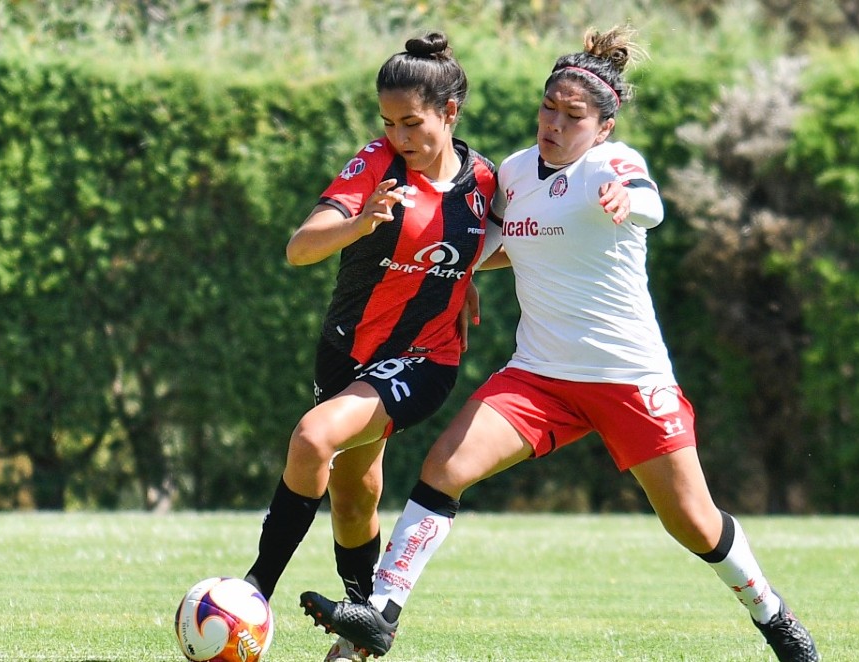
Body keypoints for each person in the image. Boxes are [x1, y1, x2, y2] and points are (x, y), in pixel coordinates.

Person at [300, 25, 820, 662]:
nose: (554, 123)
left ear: (601, 127)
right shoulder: (515, 172)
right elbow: (479, 246)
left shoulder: (614, 163)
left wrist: (625, 202)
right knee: (443, 469)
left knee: (694, 523)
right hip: (539, 376)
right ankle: (378, 617)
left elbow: (649, 202)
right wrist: (457, 285)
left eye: (573, 116)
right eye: (548, 108)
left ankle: (774, 617)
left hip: (626, 377)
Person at [238, 32, 501, 662]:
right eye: (388, 122)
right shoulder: (376, 163)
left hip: (423, 359)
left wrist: (462, 282)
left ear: (450, 113)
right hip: (344, 352)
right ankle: (362, 631)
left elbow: (512, 243)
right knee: (355, 494)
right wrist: (361, 223)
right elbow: (300, 247)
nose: (400, 136)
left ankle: (255, 589)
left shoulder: (487, 180)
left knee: (312, 438)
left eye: (413, 122)